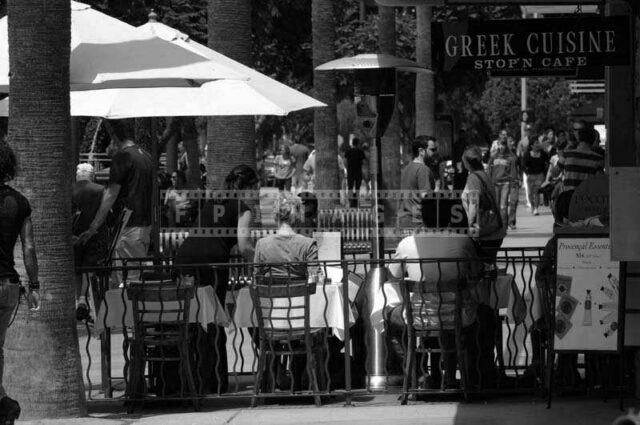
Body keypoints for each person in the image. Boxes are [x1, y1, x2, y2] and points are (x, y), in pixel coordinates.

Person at [384, 198, 497, 389]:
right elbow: (477, 273)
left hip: (419, 316)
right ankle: (478, 375)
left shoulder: (407, 243)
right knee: (487, 315)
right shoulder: (463, 241)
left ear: (423, 219)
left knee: (388, 318)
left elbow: (392, 275)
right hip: (460, 317)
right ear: (450, 217)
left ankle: (417, 374)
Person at [174, 165, 258, 393]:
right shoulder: (242, 208)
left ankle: (188, 380)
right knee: (214, 318)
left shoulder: (214, 201)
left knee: (190, 319)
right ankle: (213, 381)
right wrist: (261, 261)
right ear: (249, 187)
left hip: (184, 260)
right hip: (211, 265)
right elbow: (244, 246)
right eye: (255, 187)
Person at [77, 120, 153, 283]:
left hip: (128, 227)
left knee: (126, 282)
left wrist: (93, 227)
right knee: (133, 278)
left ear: (114, 137)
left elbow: (110, 195)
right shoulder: (147, 157)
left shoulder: (123, 157)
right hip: (144, 227)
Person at [0, 141, 39, 423]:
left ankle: (4, 405)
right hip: (8, 286)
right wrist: (34, 286)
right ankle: (4, 405)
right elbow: (28, 248)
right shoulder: (19, 202)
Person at [72, 163, 108, 321]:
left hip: (73, 237)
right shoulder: (100, 190)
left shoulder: (68, 189)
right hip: (94, 235)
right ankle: (84, 301)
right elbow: (106, 214)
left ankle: (79, 301)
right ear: (92, 175)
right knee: (89, 271)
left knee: (77, 270)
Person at [254, 192, 317, 278]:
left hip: (271, 291)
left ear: (275, 215)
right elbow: (315, 278)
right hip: (300, 291)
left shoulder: (262, 245)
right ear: (298, 215)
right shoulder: (308, 245)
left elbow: (257, 278)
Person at [461, 146, 506, 261]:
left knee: (483, 267)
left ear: (467, 163)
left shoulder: (473, 178)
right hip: (494, 230)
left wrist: (470, 225)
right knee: (489, 267)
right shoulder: (483, 174)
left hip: (485, 232)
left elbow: (474, 204)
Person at [398, 136, 435, 231]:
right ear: (421, 151)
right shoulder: (423, 169)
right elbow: (426, 198)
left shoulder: (406, 169)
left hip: (404, 221)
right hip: (419, 224)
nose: (435, 153)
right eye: (432, 149)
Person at [557, 126, 604, 194]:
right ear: (593, 140)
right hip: (585, 199)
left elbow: (554, 173)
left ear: (578, 138)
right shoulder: (598, 159)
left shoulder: (567, 154)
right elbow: (600, 180)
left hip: (568, 197)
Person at [488, 139, 518, 228]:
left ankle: (504, 226)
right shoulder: (493, 157)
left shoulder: (511, 158)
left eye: (503, 145)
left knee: (503, 206)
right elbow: (489, 171)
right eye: (500, 145)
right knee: (496, 206)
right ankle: (497, 224)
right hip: (495, 184)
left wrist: (514, 183)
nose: (501, 147)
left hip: (505, 184)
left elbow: (513, 172)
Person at [522, 140, 549, 216]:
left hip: (540, 175)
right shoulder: (527, 154)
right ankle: (532, 206)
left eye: (538, 143)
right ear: (532, 146)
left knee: (536, 191)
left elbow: (547, 163)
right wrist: (527, 173)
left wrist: (545, 173)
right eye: (536, 143)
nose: (537, 144)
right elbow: (523, 165)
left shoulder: (543, 153)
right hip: (530, 175)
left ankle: (536, 209)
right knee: (530, 193)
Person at [345, 138, 366, 207]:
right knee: (357, 187)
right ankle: (357, 201)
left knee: (350, 187)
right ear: (358, 143)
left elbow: (345, 160)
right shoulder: (360, 151)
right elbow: (363, 162)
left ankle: (350, 201)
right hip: (358, 172)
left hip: (350, 172)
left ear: (352, 143)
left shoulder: (348, 151)